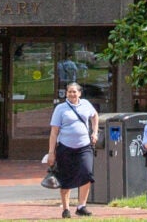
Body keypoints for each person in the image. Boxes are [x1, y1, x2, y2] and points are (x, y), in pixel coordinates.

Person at [48, 81, 100, 216]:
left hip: (84, 146)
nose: (71, 94)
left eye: (74, 91)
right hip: (65, 147)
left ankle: (81, 206)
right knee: (66, 177)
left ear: (79, 93)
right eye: (69, 91)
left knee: (87, 173)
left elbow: (95, 116)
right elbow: (54, 132)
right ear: (66, 94)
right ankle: (66, 208)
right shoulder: (60, 108)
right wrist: (51, 152)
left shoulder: (86, 105)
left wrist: (95, 132)